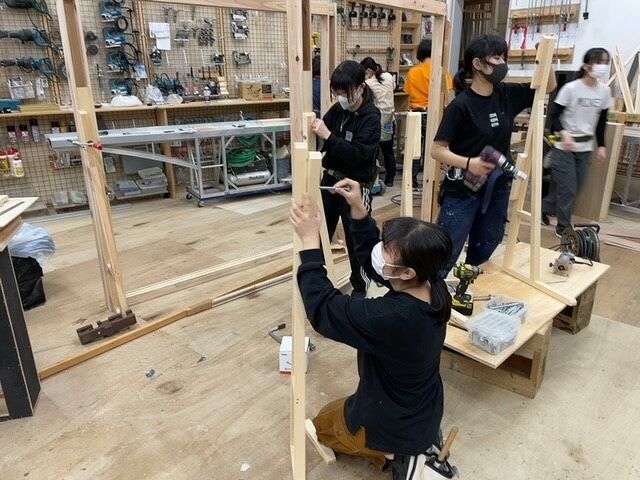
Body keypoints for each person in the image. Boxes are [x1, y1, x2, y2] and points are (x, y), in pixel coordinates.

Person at [290, 177, 453, 480]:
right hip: (421, 406)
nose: (380, 253)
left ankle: (391, 452)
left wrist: (311, 245)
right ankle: (403, 446)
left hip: (391, 422)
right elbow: (375, 266)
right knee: (344, 410)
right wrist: (359, 212)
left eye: (386, 251)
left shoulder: (393, 318)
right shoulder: (432, 284)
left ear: (407, 272)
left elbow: (323, 308)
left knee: (324, 423)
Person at [431, 34, 557, 275]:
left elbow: (548, 87)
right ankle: (433, 293)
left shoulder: (505, 94)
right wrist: (470, 163)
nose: (502, 63)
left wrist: (546, 58)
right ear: (477, 64)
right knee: (445, 251)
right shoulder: (461, 106)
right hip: (464, 189)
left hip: (497, 186)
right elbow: (437, 150)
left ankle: (468, 283)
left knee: (486, 246)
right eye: (497, 58)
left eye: (504, 57)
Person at [311, 60, 381, 297]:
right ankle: (316, 282)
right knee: (320, 233)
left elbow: (358, 155)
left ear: (361, 87)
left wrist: (329, 136)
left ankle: (360, 288)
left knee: (357, 238)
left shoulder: (371, 117)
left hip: (356, 187)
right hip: (330, 181)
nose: (341, 97)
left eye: (346, 92)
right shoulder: (337, 111)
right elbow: (322, 136)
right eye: (337, 91)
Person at [542, 48, 613, 236]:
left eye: (605, 62)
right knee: (568, 189)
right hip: (563, 145)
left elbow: (601, 121)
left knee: (575, 188)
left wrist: (602, 146)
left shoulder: (605, 91)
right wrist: (563, 132)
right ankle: (563, 228)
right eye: (599, 62)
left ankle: (543, 206)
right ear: (587, 65)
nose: (602, 66)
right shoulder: (571, 89)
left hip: (585, 147)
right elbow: (554, 116)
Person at [404, 39, 453, 188]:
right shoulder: (442, 72)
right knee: (433, 148)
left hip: (416, 113)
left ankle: (412, 180)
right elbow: (447, 95)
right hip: (435, 114)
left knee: (414, 148)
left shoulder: (413, 72)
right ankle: (430, 178)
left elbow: (407, 93)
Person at [360, 57, 397, 186]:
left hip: (378, 121)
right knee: (388, 151)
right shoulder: (388, 76)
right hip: (390, 120)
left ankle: (372, 178)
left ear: (368, 71)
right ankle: (390, 179)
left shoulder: (368, 83)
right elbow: (393, 88)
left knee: (373, 150)